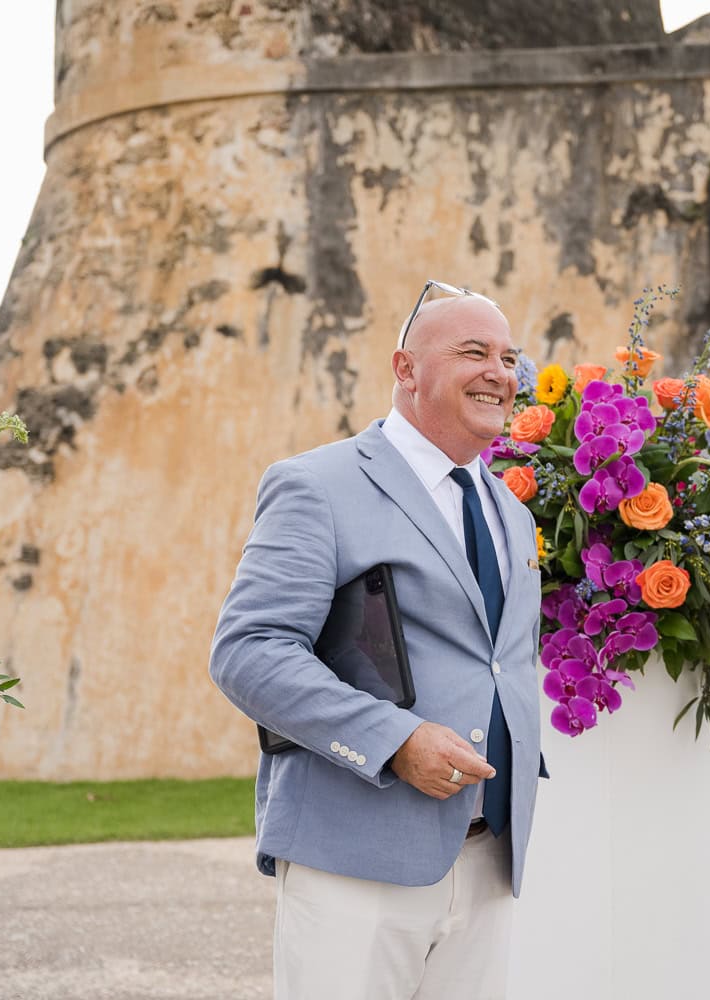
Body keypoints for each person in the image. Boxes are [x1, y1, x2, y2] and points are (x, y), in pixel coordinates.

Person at [208, 283, 542, 1000]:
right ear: (406, 368)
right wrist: (396, 740)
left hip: (489, 862)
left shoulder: (511, 510)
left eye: (509, 358)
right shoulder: (317, 485)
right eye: (474, 352)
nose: (500, 373)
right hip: (354, 859)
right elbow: (249, 651)